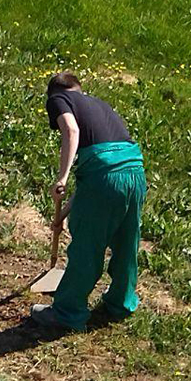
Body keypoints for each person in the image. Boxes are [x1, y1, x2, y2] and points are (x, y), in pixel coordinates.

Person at [32, 73, 147, 331]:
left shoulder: (58, 98)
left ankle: (67, 313)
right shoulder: (100, 105)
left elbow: (72, 130)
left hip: (104, 175)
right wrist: (62, 216)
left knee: (87, 247)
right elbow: (95, 181)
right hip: (134, 171)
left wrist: (62, 177)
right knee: (126, 241)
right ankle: (121, 303)